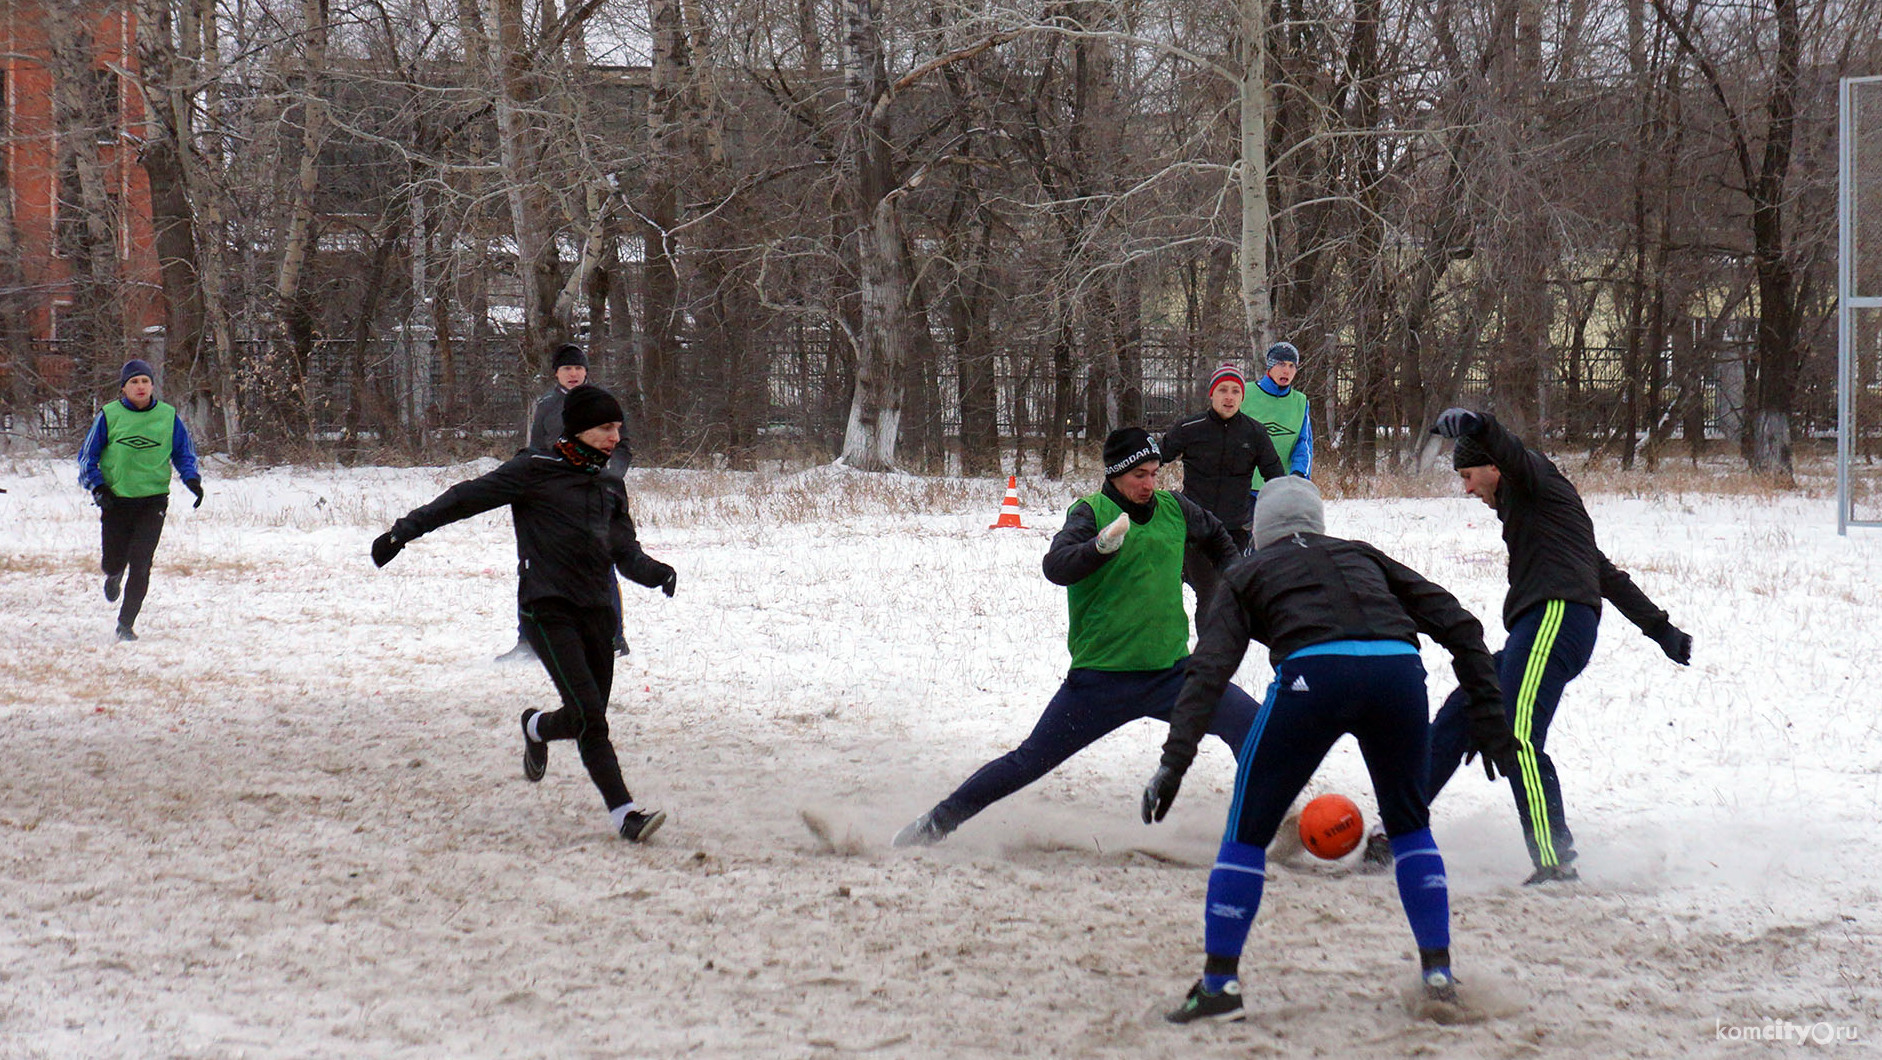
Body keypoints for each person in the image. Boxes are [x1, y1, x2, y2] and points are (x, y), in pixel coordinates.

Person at [1141, 475, 1517, 1024]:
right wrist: (1489, 715)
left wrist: (1176, 760)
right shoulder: (1362, 554)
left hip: (1313, 677)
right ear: (1317, 524)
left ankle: (1219, 987)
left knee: (1246, 833)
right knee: (1411, 826)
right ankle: (1438, 975)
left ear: (1261, 532)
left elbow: (1209, 669)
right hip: (1398, 674)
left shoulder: (1246, 571)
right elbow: (1461, 625)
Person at [892, 428, 1265, 847]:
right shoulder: (1090, 512)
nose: (1148, 484)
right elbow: (1056, 566)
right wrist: (1099, 548)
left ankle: (1256, 826)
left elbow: (1217, 536)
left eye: (1154, 473)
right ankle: (935, 824)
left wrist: (1236, 580)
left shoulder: (1175, 507)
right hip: (1101, 682)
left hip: (1173, 675)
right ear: (1116, 473)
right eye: (1139, 475)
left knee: (1254, 726)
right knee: (1027, 762)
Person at [372, 385, 676, 842]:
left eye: (618, 428)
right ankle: (626, 816)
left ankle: (535, 725)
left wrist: (653, 571)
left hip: (597, 611)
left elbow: (623, 549)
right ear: (578, 429)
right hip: (547, 607)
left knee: (580, 718)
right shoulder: (533, 470)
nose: (615, 437)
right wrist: (401, 533)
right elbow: (462, 498)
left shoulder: (609, 484)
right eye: (605, 428)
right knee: (592, 719)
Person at [1404, 408, 1693, 886]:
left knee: (1517, 734)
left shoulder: (1533, 480)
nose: (1468, 489)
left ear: (1493, 466)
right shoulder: (1548, 514)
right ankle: (1398, 828)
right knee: (1469, 705)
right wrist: (1661, 631)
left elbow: (1514, 452)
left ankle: (1555, 860)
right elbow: (1607, 576)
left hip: (1554, 619)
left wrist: (1478, 425)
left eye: (1469, 475)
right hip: (1543, 627)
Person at [497, 343, 634, 662]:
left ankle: (613, 639)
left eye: (578, 368)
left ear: (586, 371)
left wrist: (611, 477)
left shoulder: (604, 402)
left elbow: (623, 447)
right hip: (552, 498)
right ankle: (528, 641)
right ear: (556, 372)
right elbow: (535, 451)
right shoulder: (545, 404)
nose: (573, 374)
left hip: (594, 495)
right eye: (566, 368)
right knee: (534, 567)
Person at [77, 359, 204, 641]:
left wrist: (192, 479)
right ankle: (113, 574)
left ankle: (126, 623)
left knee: (142, 562)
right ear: (123, 388)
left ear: (152, 386)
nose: (140, 386)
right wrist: (98, 488)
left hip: (153, 500)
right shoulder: (109, 415)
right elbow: (87, 458)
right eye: (134, 382)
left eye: (145, 381)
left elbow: (183, 453)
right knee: (113, 560)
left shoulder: (168, 416)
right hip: (116, 500)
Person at [1160, 363, 1286, 616]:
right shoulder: (1189, 428)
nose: (1229, 397)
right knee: (1210, 592)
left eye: (1235, 391)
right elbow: (1154, 459)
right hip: (1195, 528)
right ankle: (1211, 651)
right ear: (1212, 394)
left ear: (1242, 396)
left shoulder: (1255, 433)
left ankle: (1219, 647)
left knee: (1226, 592)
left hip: (1234, 531)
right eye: (1222, 390)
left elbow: (1277, 479)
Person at [1241, 341, 1313, 501]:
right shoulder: (1245, 393)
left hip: (1281, 489)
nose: (1286, 371)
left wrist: (1298, 474)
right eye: (1281, 364)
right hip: (1242, 488)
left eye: (1291, 366)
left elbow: (1304, 444)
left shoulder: (1300, 402)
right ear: (1270, 366)